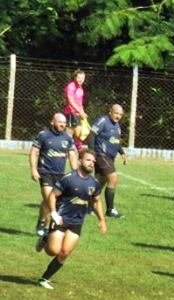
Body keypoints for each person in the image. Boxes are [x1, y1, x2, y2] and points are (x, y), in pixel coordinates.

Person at [36, 150, 107, 289]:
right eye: (88, 160)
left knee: (65, 252)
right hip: (61, 219)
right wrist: (54, 213)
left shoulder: (94, 183)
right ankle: (45, 238)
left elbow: (97, 201)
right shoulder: (68, 178)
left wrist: (102, 220)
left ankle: (44, 279)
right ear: (80, 161)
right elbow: (52, 196)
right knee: (53, 251)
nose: (91, 164)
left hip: (77, 222)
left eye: (93, 162)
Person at [30, 113, 78, 240]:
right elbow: (34, 152)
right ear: (52, 122)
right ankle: (46, 229)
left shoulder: (67, 138)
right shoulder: (43, 135)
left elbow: (72, 154)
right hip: (45, 173)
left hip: (60, 175)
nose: (63, 124)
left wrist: (75, 172)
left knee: (48, 202)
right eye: (60, 122)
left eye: (64, 122)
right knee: (50, 200)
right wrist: (34, 170)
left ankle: (42, 223)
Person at [88, 104, 127, 218]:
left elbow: (116, 141)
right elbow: (91, 135)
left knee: (99, 183)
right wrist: (91, 152)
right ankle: (110, 210)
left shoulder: (117, 126)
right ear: (110, 112)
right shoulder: (103, 121)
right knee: (113, 177)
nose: (118, 116)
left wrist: (122, 152)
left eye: (120, 114)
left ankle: (89, 208)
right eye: (116, 113)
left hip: (110, 158)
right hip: (101, 155)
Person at [63, 69, 87, 149]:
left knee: (79, 133)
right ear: (75, 77)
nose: (81, 80)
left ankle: (78, 149)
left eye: (83, 78)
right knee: (71, 133)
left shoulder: (80, 88)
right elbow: (70, 101)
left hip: (78, 113)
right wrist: (80, 111)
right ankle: (66, 149)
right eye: (79, 77)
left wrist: (82, 112)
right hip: (70, 112)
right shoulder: (71, 86)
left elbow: (80, 103)